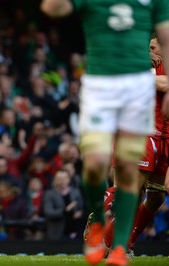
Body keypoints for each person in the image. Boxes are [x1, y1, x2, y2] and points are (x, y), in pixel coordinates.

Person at [40, 1, 169, 266]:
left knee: (132, 176)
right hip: (101, 86)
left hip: (135, 97)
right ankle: (98, 218)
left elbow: (166, 35)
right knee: (94, 168)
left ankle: (120, 248)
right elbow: (53, 8)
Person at [95, 33, 169, 258]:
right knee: (132, 192)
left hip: (163, 136)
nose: (153, 52)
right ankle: (106, 234)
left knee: (156, 197)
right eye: (151, 47)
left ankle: (123, 242)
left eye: (156, 48)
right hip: (141, 130)